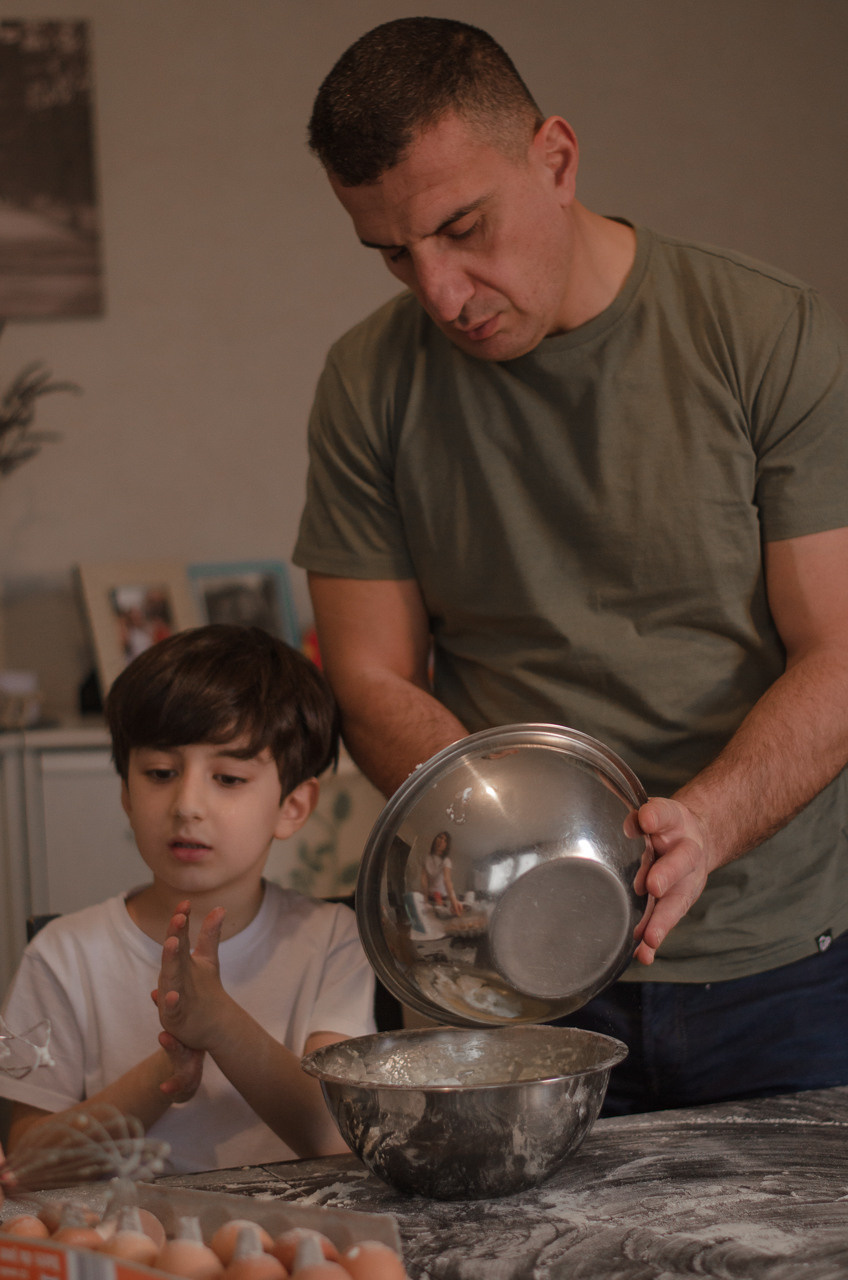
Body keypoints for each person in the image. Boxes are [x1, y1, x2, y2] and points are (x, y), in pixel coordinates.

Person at [293, 17, 848, 1113]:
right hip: (505, 976)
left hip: (776, 966)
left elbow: (838, 650)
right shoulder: (367, 382)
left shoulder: (765, 332)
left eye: (462, 228)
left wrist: (706, 825)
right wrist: (529, 851)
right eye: (394, 253)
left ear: (555, 159)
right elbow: (367, 677)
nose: (439, 291)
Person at [0, 625, 376, 1172]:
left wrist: (220, 1024)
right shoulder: (63, 955)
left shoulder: (333, 940)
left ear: (292, 807)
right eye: (160, 773)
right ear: (126, 793)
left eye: (228, 778)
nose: (187, 805)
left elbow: (336, 1138)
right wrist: (168, 1071)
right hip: (124, 1224)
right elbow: (29, 1163)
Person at [421, 831, 462, 916]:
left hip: (443, 897)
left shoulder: (446, 861)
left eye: (445, 840)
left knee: (443, 916)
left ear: (446, 845)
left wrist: (454, 901)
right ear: (435, 839)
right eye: (440, 837)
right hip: (430, 896)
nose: (441, 841)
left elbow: (447, 880)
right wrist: (425, 899)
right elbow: (424, 879)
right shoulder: (426, 858)